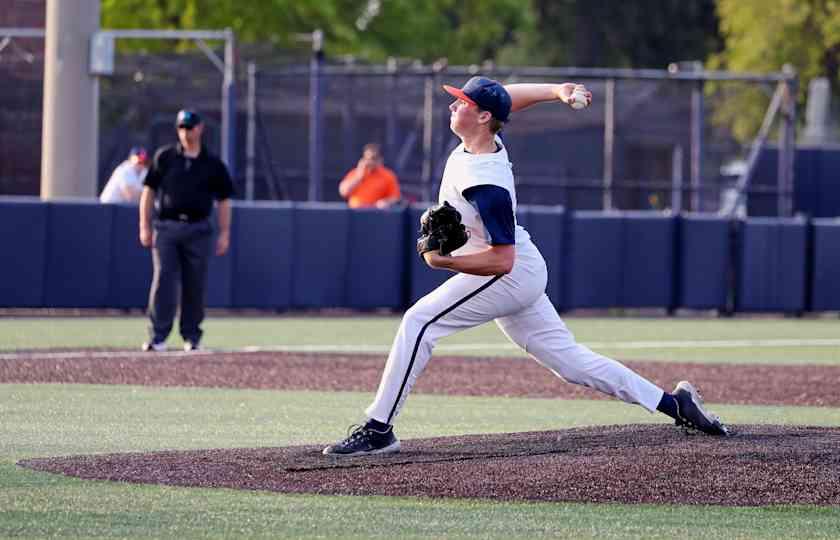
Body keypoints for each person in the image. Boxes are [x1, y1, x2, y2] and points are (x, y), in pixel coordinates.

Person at [323, 76, 728, 456]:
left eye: (461, 102)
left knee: (420, 321)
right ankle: (676, 405)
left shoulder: (488, 182)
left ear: (482, 117)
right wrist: (556, 90)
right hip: (521, 269)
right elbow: (507, 98)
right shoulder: (484, 133)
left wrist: (445, 260)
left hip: (509, 274)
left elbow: (503, 259)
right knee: (570, 363)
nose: (452, 105)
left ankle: (378, 429)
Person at [139, 109, 235, 352]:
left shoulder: (213, 164)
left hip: (199, 229)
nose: (185, 132)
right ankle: (158, 336)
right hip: (167, 228)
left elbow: (224, 200)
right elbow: (148, 192)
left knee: (195, 284)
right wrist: (144, 225)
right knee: (163, 279)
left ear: (200, 128)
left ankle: (191, 336)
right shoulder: (166, 157)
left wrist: (224, 232)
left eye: (190, 127)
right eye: (181, 127)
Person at [338, 143, 401, 209]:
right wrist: (358, 177)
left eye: (373, 158)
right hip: (355, 214)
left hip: (376, 214)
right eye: (367, 158)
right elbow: (343, 191)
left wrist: (386, 202)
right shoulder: (356, 172)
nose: (370, 161)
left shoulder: (388, 175)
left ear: (380, 159)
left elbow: (395, 197)